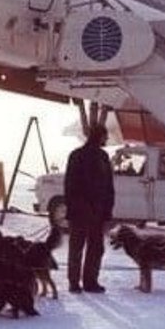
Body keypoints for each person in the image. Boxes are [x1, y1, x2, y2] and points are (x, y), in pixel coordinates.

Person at [63, 123, 115, 294]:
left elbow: (108, 187)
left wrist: (106, 211)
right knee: (86, 247)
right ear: (98, 136)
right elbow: (71, 186)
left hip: (90, 212)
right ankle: (83, 282)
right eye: (105, 136)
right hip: (87, 212)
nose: (106, 139)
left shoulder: (95, 156)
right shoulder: (91, 156)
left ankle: (82, 282)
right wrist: (105, 211)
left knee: (86, 248)